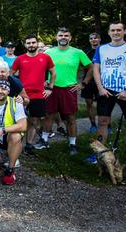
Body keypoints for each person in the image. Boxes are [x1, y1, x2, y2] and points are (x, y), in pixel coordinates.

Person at [90, 22, 126, 176]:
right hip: (106, 91)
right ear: (109, 33)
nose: (116, 32)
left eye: (119, 30)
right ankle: (98, 154)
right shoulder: (102, 49)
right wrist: (100, 88)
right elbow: (96, 69)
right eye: (113, 30)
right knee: (103, 121)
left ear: (124, 31)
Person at [44, 27, 92, 155]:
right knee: (48, 114)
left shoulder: (78, 52)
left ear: (70, 38)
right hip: (52, 88)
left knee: (70, 117)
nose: (63, 37)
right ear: (57, 37)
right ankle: (44, 140)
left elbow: (91, 67)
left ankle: (72, 144)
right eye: (61, 35)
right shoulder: (48, 52)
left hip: (69, 88)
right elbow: (41, 67)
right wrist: (44, 80)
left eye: (66, 35)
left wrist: (84, 83)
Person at [11, 34, 56, 153]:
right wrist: (14, 91)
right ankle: (15, 144)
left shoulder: (45, 57)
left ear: (37, 43)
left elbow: (53, 72)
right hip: (22, 94)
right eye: (28, 43)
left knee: (34, 121)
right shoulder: (19, 59)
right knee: (18, 121)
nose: (31, 45)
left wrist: (50, 88)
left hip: (38, 95)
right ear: (25, 45)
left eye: (33, 42)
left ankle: (29, 145)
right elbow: (10, 74)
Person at [82, 33, 101, 133]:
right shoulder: (86, 53)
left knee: (102, 104)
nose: (93, 40)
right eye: (91, 38)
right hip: (88, 81)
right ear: (89, 40)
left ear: (99, 39)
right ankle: (93, 124)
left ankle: (107, 125)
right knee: (89, 103)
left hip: (101, 81)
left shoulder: (104, 51)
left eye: (95, 38)